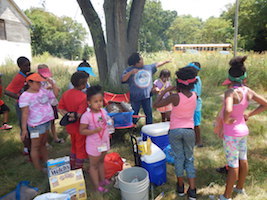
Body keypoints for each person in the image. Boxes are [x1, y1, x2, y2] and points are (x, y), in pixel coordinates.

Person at [218, 56, 267, 200]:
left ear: (229, 77)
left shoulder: (230, 93)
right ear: (244, 77)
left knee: (233, 165)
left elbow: (227, 110)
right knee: (243, 159)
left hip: (231, 133)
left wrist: (226, 120)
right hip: (243, 131)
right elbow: (265, 104)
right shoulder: (247, 91)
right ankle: (239, 188)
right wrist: (249, 114)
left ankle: (226, 196)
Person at [153, 66, 198, 200]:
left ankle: (180, 187)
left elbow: (156, 104)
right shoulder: (195, 95)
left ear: (178, 83)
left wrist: (165, 90)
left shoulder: (174, 97)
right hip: (190, 130)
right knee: (189, 159)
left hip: (175, 131)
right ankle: (193, 190)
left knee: (179, 158)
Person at [19, 73, 59, 171]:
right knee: (35, 146)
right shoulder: (25, 96)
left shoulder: (43, 91)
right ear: (30, 83)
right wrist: (24, 129)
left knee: (43, 143)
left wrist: (53, 84)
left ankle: (47, 162)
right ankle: (38, 168)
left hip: (46, 122)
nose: (40, 84)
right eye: (37, 82)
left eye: (41, 82)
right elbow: (24, 113)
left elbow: (55, 94)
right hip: (35, 125)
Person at [121, 52, 170, 124]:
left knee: (149, 113)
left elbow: (156, 64)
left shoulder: (148, 67)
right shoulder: (129, 70)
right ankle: (133, 127)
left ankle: (149, 127)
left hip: (147, 96)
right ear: (136, 62)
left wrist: (165, 61)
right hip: (135, 97)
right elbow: (123, 79)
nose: (142, 60)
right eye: (140, 59)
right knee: (134, 114)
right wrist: (131, 72)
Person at [80, 85, 111, 193]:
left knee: (101, 161)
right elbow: (82, 131)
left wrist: (110, 123)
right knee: (93, 165)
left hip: (104, 142)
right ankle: (97, 186)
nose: (99, 104)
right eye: (95, 101)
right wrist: (94, 131)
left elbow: (106, 122)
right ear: (89, 102)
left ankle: (103, 180)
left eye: (100, 101)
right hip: (94, 145)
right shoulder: (86, 116)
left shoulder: (103, 111)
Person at [58, 72, 88, 169]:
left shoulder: (66, 94)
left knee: (73, 145)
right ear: (83, 84)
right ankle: (79, 168)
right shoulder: (83, 97)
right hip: (80, 127)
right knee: (80, 147)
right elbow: (79, 114)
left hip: (70, 126)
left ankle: (72, 164)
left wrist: (67, 115)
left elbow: (60, 108)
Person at [5, 56, 31, 155]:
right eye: (26, 66)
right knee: (23, 125)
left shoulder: (27, 75)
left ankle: (31, 145)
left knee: (29, 125)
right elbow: (7, 91)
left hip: (28, 105)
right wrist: (20, 97)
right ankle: (26, 148)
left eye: (29, 65)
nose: (28, 67)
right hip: (21, 106)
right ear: (20, 66)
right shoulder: (18, 77)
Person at [38, 64, 64, 144]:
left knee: (52, 122)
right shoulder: (37, 82)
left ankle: (55, 137)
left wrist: (53, 86)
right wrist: (46, 88)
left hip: (52, 103)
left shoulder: (51, 80)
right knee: (45, 124)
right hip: (44, 105)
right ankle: (45, 141)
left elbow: (56, 92)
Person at [187, 62, 203, 147]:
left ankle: (199, 141)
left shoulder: (196, 80)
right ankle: (193, 140)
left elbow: (195, 95)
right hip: (192, 105)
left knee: (196, 124)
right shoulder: (195, 79)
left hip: (195, 106)